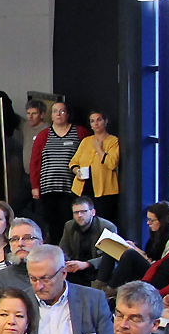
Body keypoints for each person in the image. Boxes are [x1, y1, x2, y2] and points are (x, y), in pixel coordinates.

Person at [30, 101, 87, 236]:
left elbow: (87, 154)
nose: (58, 114)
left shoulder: (79, 132)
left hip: (70, 186)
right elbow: (35, 162)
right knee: (53, 222)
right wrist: (35, 186)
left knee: (69, 221)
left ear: (67, 114)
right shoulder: (44, 135)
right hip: (48, 186)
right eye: (55, 111)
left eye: (62, 111)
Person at [70, 109, 120, 225]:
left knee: (103, 223)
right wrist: (77, 170)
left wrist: (99, 149)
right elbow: (73, 162)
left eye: (99, 120)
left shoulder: (113, 141)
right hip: (82, 188)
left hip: (104, 191)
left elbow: (112, 163)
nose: (96, 123)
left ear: (105, 121)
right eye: (92, 121)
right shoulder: (86, 141)